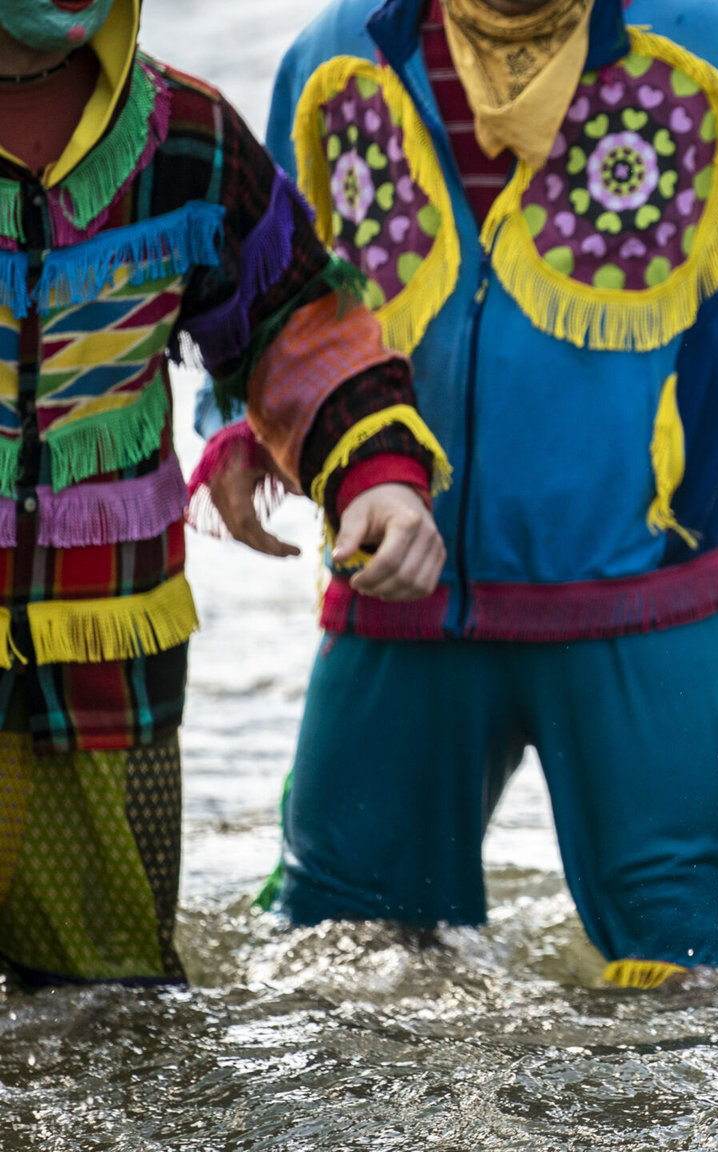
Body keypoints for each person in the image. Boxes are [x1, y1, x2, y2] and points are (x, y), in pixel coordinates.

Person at [200, 0, 718, 985]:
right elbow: (266, 285)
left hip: (644, 608)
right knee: (338, 962)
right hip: (396, 597)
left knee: (686, 976)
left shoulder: (715, 51)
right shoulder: (333, 61)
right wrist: (246, 424)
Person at [0, 0, 443, 986]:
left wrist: (376, 480)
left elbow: (295, 320)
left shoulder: (186, 139)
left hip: (107, 668)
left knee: (107, 1018)